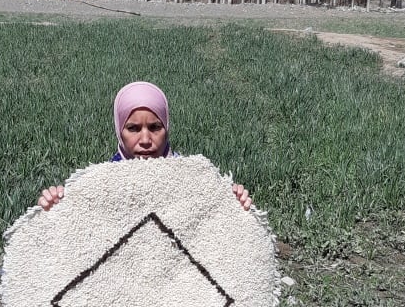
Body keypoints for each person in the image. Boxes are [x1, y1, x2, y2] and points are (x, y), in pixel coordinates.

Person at [38, 81, 252, 211]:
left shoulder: (189, 176)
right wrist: (56, 205)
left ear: (166, 127)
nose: (146, 139)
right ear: (119, 131)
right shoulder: (104, 181)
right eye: (133, 128)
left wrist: (232, 202)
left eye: (155, 127)